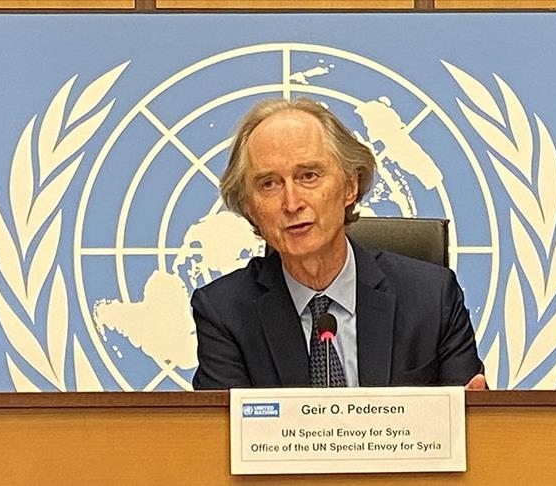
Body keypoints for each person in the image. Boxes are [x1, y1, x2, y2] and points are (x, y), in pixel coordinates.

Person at [191, 97, 486, 390]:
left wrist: (478, 411)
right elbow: (222, 422)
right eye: (269, 184)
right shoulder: (225, 314)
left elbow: (472, 416)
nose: (291, 203)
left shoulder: (432, 299)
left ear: (349, 186)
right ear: (249, 207)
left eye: (308, 176)